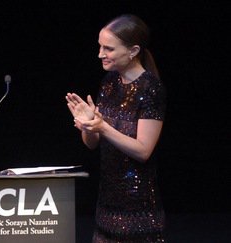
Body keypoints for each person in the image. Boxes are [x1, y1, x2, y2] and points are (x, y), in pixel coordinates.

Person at [65, 14, 167, 242]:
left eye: (108, 48)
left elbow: (143, 151)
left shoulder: (151, 89)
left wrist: (103, 127)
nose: (100, 54)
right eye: (100, 46)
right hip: (107, 204)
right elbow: (91, 144)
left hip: (138, 207)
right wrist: (89, 126)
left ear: (132, 51)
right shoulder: (110, 82)